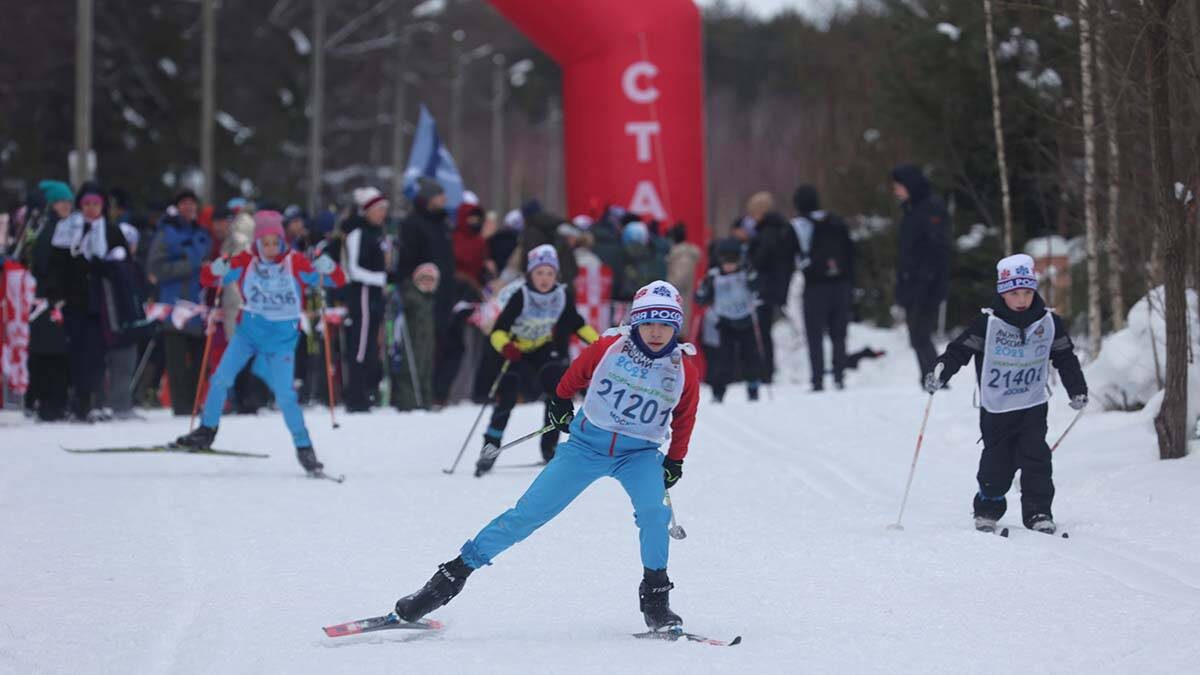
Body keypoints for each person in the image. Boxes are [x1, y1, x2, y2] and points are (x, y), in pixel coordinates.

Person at [393, 280, 699, 631]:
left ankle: (657, 601)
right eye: (648, 324)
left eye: (665, 325)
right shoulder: (609, 347)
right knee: (526, 515)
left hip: (640, 453)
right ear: (636, 323)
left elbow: (685, 417)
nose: (656, 332)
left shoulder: (682, 369)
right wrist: (559, 402)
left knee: (653, 513)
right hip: (587, 447)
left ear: (676, 327)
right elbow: (572, 377)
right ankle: (446, 580)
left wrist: (675, 460)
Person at [925, 254, 1088, 534]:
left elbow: (1065, 357)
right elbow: (960, 351)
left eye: (1027, 292)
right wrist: (941, 370)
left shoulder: (1048, 323)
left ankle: (1038, 512)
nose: (1022, 299)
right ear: (1003, 292)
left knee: (1036, 459)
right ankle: (988, 508)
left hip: (1032, 404)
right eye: (1015, 293)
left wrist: (1078, 389)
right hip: (997, 406)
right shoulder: (988, 323)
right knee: (996, 463)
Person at [173, 211, 345, 476]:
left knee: (286, 395)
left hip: (282, 340)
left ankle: (305, 449)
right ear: (257, 242)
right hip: (248, 334)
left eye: (275, 242)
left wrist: (330, 269)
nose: (270, 248)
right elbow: (208, 279)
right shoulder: (244, 260)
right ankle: (206, 430)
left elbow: (338, 281)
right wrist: (215, 269)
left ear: (282, 240)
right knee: (220, 379)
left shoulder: (296, 262)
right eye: (265, 243)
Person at [474, 244, 600, 475]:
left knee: (557, 390)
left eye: (550, 273)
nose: (544, 279)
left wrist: (601, 346)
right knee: (508, 396)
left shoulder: (561, 295)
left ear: (556, 275)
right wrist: (506, 346)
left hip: (541, 347)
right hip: (514, 349)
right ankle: (490, 447)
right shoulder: (521, 295)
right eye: (539, 273)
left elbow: (578, 325)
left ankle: (549, 448)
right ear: (530, 274)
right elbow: (497, 332)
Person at [48, 181, 129, 421]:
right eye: (87, 204)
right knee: (75, 352)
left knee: (96, 354)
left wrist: (103, 266)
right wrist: (55, 294)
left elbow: (123, 266)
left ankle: (92, 400)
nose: (92, 209)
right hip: (73, 302)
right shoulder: (67, 230)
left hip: (102, 303)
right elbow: (56, 266)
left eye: (96, 204)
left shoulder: (112, 231)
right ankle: (77, 400)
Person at [147, 189, 212, 415]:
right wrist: (188, 266)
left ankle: (193, 402)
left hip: (199, 306)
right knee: (176, 361)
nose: (189, 207)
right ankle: (181, 406)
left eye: (193, 203)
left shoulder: (203, 233)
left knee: (200, 360)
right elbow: (156, 267)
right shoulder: (166, 233)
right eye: (184, 203)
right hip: (174, 306)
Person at [397, 178, 459, 406]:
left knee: (447, 345)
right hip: (421, 294)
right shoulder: (413, 223)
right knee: (422, 347)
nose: (444, 200)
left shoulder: (443, 223)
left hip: (443, 294)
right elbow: (408, 259)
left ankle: (435, 393)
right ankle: (415, 396)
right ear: (428, 198)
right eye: (439, 196)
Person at [892, 164, 949, 387]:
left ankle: (936, 377)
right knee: (916, 335)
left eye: (898, 186)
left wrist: (927, 278)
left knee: (921, 334)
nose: (896, 190)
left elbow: (937, 248)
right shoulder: (910, 210)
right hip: (911, 283)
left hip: (927, 284)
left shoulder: (930, 209)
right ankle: (929, 376)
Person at [793, 185, 855, 391]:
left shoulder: (800, 225)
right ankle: (839, 375)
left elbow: (793, 254)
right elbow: (851, 251)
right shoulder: (836, 220)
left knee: (815, 334)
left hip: (815, 286)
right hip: (840, 284)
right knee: (839, 333)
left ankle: (817, 378)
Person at [25, 180, 74, 421]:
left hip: (59, 300)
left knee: (59, 354)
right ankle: (48, 404)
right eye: (59, 201)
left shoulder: (66, 226)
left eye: (67, 201)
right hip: (47, 300)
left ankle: (56, 402)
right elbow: (46, 264)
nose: (65, 205)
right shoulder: (48, 229)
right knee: (48, 354)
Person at [741, 192, 799, 385]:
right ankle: (769, 369)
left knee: (763, 332)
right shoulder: (784, 229)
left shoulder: (766, 233)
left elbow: (760, 260)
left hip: (766, 287)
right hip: (783, 285)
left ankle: (766, 370)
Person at [342, 187, 389, 412]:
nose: (382, 214)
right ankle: (355, 396)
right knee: (360, 345)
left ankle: (367, 392)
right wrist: (380, 278)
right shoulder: (357, 233)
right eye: (379, 209)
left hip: (374, 295)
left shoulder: (377, 234)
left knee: (371, 345)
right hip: (361, 294)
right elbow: (353, 269)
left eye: (384, 210)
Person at [695, 238, 760, 403]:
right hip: (725, 323)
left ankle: (753, 388)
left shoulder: (746, 273)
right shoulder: (713, 276)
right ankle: (718, 392)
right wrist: (701, 294)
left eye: (733, 262)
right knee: (723, 359)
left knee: (750, 357)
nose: (729, 266)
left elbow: (758, 288)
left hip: (746, 320)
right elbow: (702, 298)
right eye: (726, 263)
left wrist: (754, 280)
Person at [665, 222, 701, 337]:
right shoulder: (679, 255)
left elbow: (677, 282)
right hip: (675, 306)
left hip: (677, 305)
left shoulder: (683, 257)